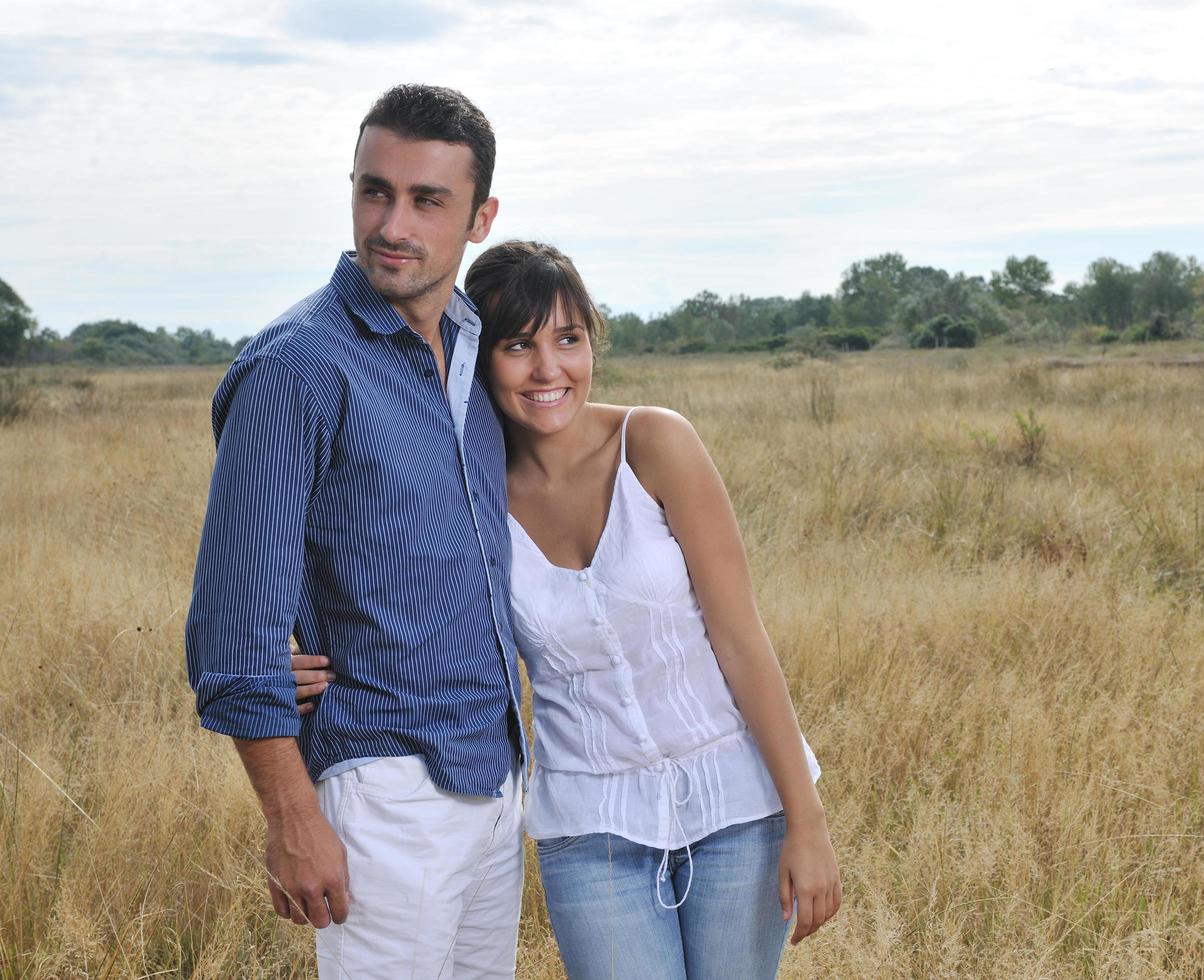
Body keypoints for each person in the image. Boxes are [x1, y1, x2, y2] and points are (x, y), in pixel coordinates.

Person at [294, 241, 842, 978]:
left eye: (569, 339)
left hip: (737, 809)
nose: (549, 370)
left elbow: (742, 640)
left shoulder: (656, 442)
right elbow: (399, 599)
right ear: (478, 357)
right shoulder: (470, 492)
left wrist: (805, 820)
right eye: (519, 345)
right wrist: (291, 659)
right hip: (591, 831)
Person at [185, 84, 526, 979]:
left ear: (480, 217)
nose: (392, 223)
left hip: (495, 785)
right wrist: (293, 818)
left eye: (427, 200)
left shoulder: (471, 349)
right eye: (375, 191)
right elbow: (235, 631)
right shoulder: (295, 368)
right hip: (385, 798)